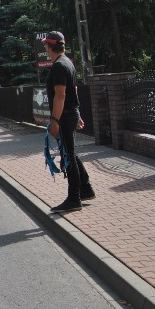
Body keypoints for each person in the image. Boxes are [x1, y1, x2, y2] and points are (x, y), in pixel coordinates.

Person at [42, 31, 95, 213]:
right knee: (70, 152)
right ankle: (85, 188)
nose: (45, 49)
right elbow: (74, 91)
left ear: (50, 46)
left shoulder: (58, 66)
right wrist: (77, 113)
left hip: (64, 116)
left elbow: (61, 95)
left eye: (46, 46)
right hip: (70, 113)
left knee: (68, 156)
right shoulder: (68, 62)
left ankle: (74, 199)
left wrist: (55, 120)